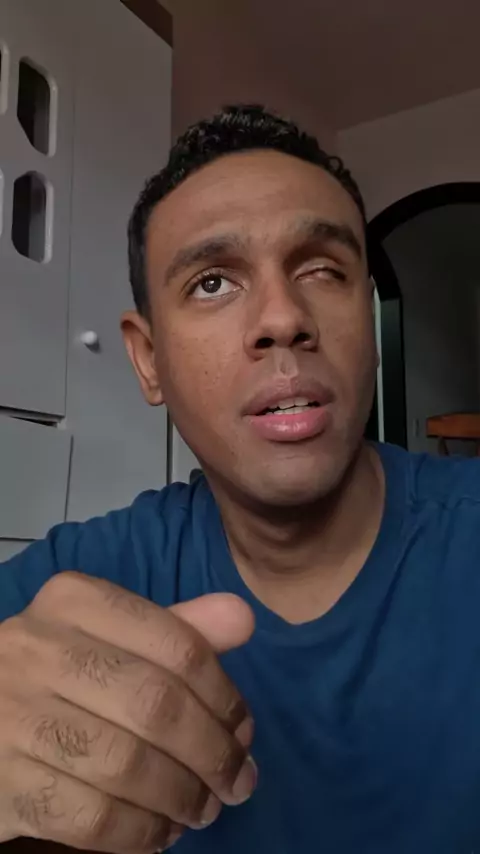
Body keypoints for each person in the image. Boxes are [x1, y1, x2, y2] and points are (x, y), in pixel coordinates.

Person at [0, 104, 479, 854]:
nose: (283, 319)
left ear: (368, 322)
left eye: (323, 270)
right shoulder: (83, 578)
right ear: (148, 361)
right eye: (214, 282)